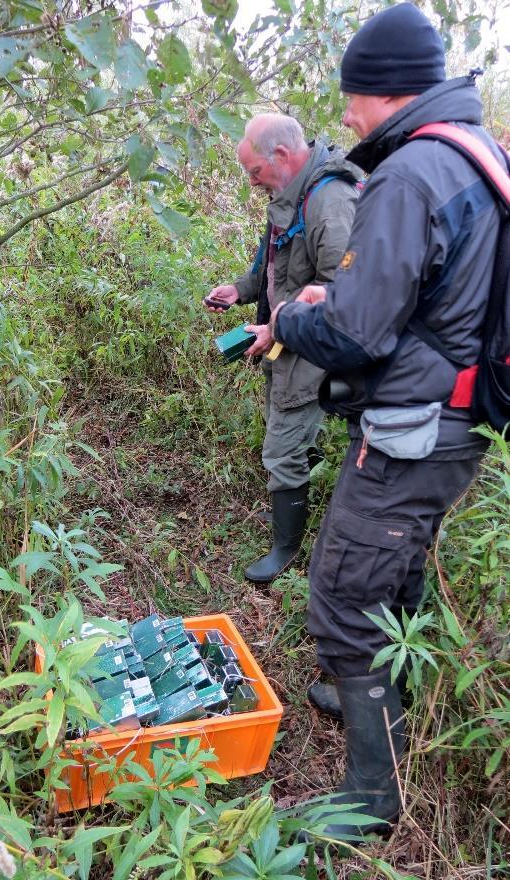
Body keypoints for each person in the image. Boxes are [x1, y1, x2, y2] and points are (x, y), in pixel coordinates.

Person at [253, 2, 505, 840]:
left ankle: (372, 796)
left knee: (340, 595)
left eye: (351, 96)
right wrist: (347, 295)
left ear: (384, 90)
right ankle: (376, 699)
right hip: (459, 418)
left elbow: (358, 333)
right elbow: (424, 299)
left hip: (413, 430)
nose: (347, 114)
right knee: (393, 573)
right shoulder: (478, 154)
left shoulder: (411, 172)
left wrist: (289, 319)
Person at [205, 113, 363, 583]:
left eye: (254, 171)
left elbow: (342, 291)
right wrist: (241, 289)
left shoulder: (329, 201)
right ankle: (300, 492)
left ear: (280, 154)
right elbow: (278, 264)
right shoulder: (290, 192)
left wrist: (279, 329)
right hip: (286, 337)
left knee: (282, 442)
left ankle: (286, 547)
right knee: (289, 430)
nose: (252, 182)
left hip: (311, 344)